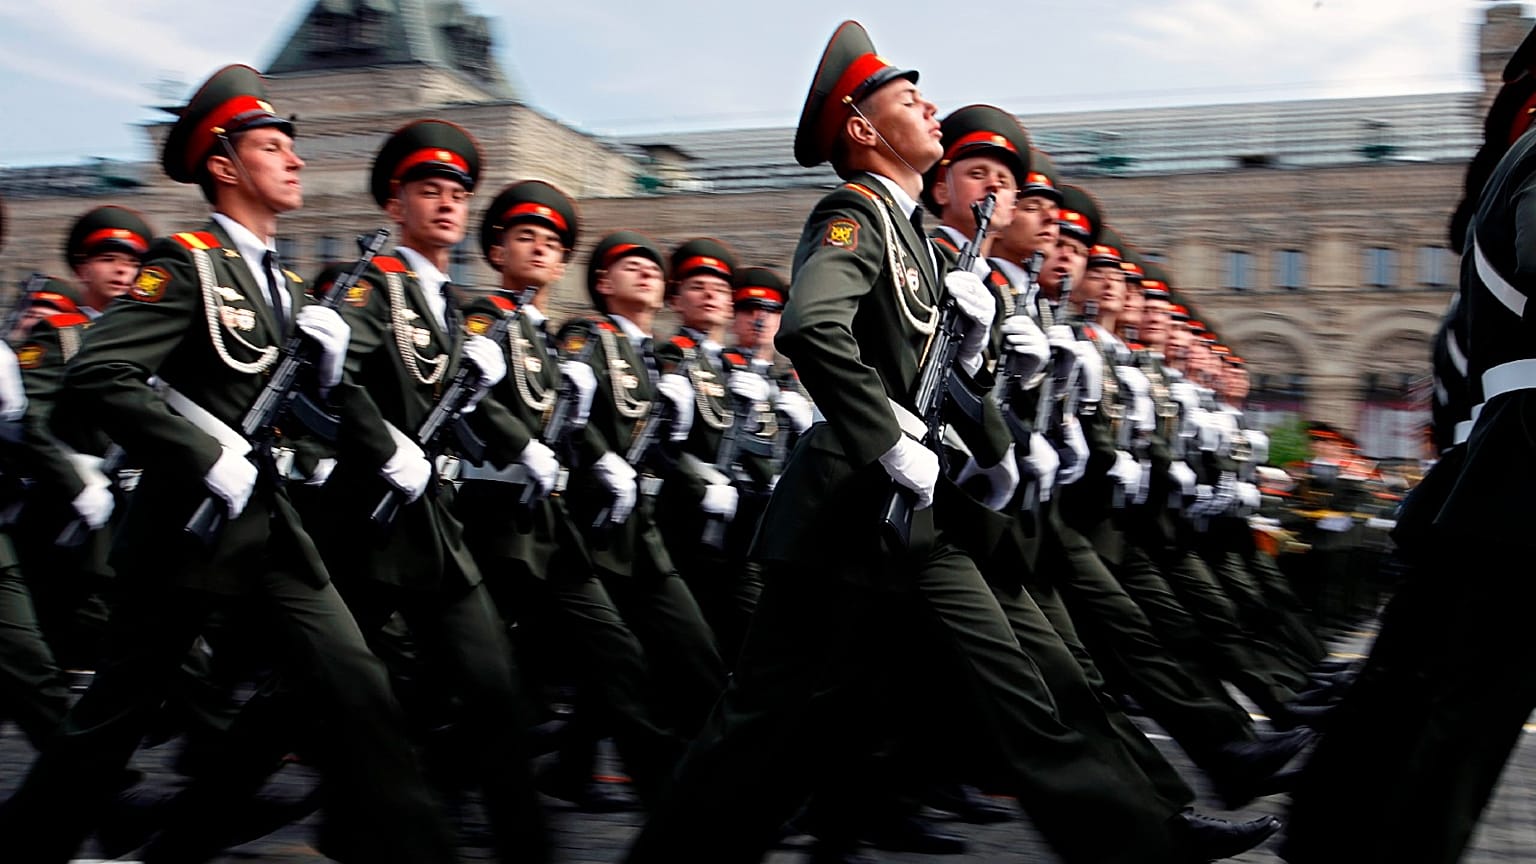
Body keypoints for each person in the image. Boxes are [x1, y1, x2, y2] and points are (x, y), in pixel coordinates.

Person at [626, 21, 1279, 864]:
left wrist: (976, 371)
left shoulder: (920, 245)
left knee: (1019, 680)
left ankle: (1147, 831)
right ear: (863, 128)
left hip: (915, 517)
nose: (929, 107)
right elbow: (813, 330)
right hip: (845, 510)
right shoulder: (853, 213)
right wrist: (888, 435)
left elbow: (935, 381)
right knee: (759, 730)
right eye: (908, 99)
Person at [0, 64, 454, 864]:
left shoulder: (275, 280)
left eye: (292, 146)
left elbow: (290, 405)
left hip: (270, 527)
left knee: (358, 683)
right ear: (224, 164)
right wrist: (202, 453)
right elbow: (97, 374)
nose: (296, 160)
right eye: (274, 147)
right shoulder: (185, 263)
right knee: (108, 724)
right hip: (185, 530)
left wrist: (326, 375)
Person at [1282, 46, 1536, 864]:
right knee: (1462, 709)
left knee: (1431, 686)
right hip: (1524, 462)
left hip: (1505, 463)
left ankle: (1329, 832)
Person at [311, 118, 552, 861]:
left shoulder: (450, 304)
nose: (447, 203)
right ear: (396, 204)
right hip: (372, 522)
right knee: (310, 703)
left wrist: (526, 445)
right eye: (428, 190)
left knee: (494, 686)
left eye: (457, 193)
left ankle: (525, 848)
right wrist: (385, 447)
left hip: (436, 524)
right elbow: (334, 385)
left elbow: (467, 403)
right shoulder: (377, 286)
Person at [452, 179, 684, 810]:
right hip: (493, 521)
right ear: (497, 252)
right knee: (486, 675)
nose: (538, 249)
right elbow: (467, 403)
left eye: (551, 242)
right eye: (523, 237)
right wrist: (521, 442)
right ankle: (450, 784)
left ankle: (670, 799)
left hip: (549, 529)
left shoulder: (550, 342)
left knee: (608, 651)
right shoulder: (485, 320)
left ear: (562, 263)